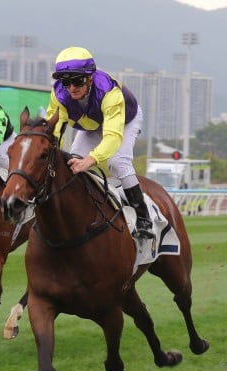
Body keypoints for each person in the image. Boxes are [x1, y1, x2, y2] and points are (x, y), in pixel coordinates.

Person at [47, 46, 154, 239]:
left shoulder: (109, 92)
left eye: (77, 80)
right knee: (72, 163)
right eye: (66, 81)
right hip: (92, 125)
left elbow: (112, 136)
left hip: (124, 121)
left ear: (90, 77)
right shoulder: (58, 94)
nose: (72, 87)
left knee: (117, 162)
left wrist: (91, 159)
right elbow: (55, 130)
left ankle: (143, 217)